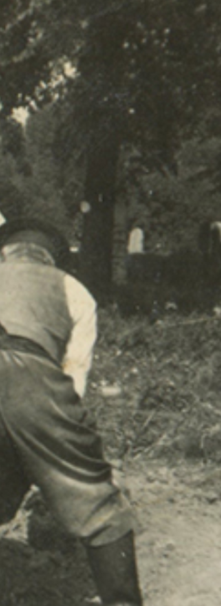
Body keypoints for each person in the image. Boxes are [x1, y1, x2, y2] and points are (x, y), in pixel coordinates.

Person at [0, 218, 143, 606]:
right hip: (30, 372)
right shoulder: (74, 290)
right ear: (54, 259)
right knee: (98, 503)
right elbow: (73, 381)